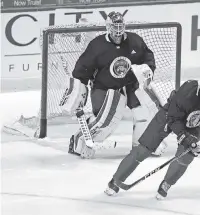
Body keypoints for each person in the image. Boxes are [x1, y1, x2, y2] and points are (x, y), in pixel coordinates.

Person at [104, 69, 200, 199]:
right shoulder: (187, 93)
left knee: (187, 155)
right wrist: (184, 138)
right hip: (168, 117)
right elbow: (173, 119)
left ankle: (166, 183)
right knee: (143, 149)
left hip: (191, 125)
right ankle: (116, 180)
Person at [59, 11, 167, 158]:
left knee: (144, 111)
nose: (117, 33)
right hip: (104, 86)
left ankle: (142, 144)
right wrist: (78, 90)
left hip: (130, 84)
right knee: (105, 121)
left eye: (120, 27)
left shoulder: (135, 41)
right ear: (108, 27)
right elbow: (81, 70)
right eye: (114, 28)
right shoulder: (97, 45)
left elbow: (148, 58)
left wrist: (147, 69)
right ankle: (79, 141)